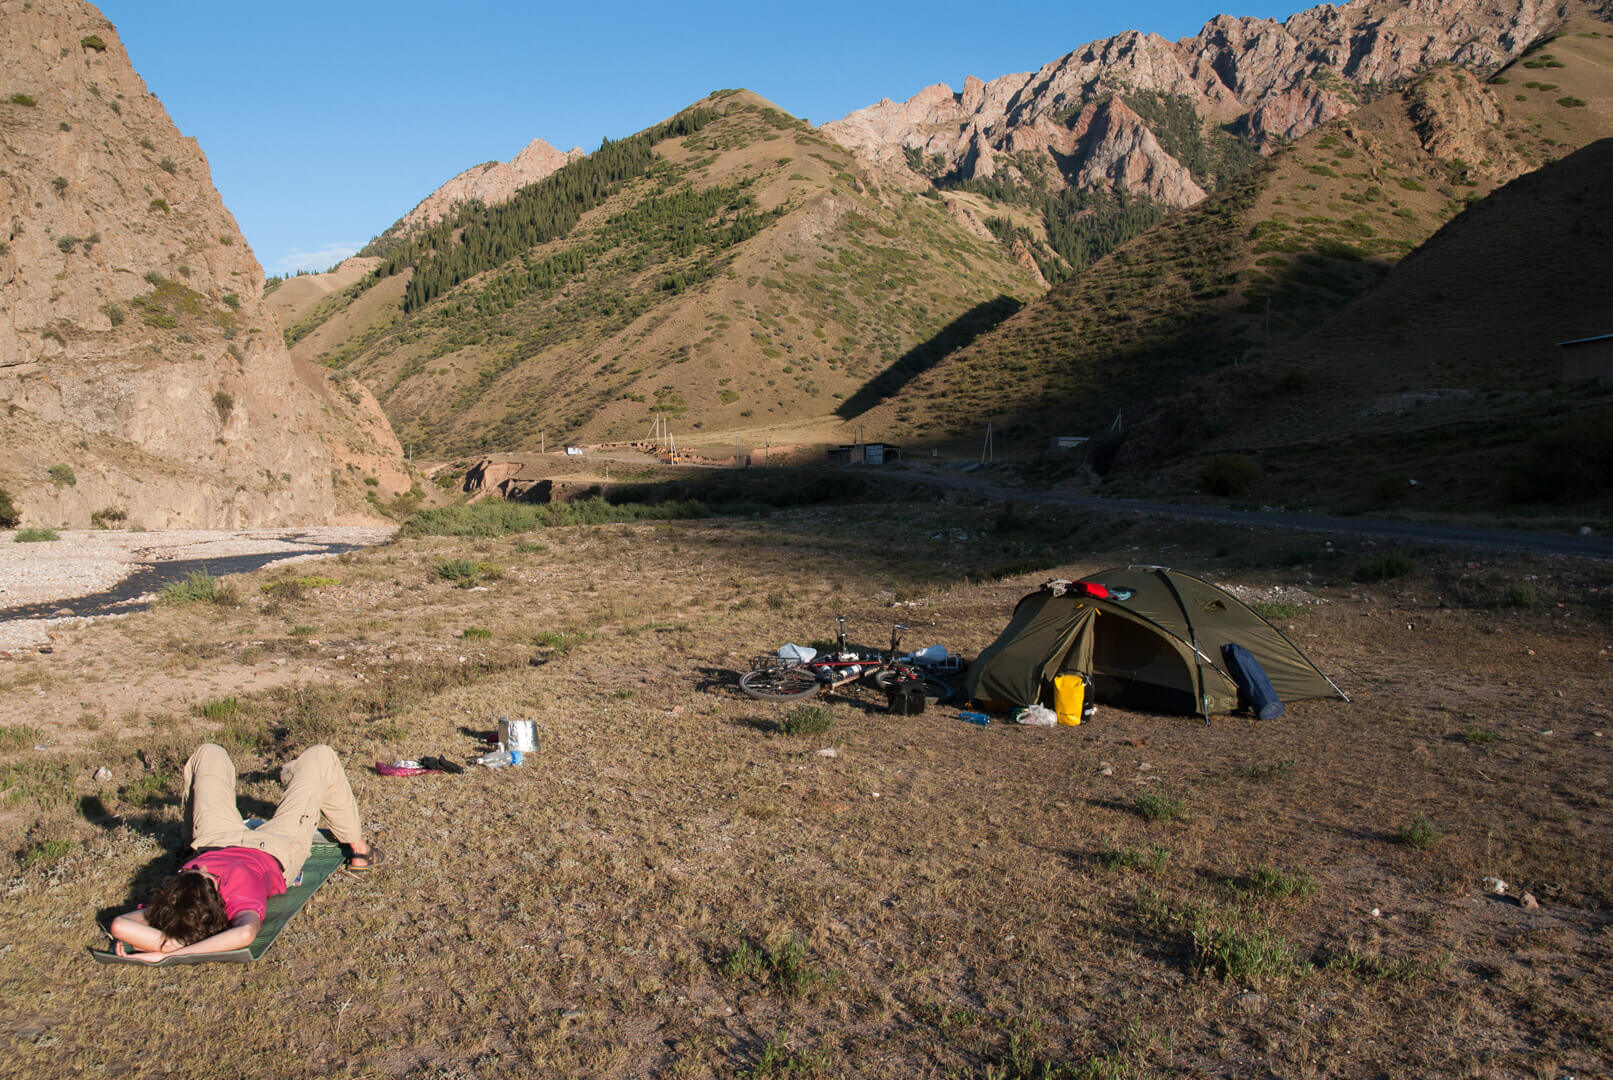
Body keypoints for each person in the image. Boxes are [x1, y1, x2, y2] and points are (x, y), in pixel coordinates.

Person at [108, 742, 382, 962]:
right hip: (275, 847)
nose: (201, 868)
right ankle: (360, 850)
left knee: (210, 753)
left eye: (192, 871)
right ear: (218, 901)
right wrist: (175, 955)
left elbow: (120, 925)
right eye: (206, 877)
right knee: (320, 757)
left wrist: (166, 947)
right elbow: (245, 933)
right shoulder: (241, 895)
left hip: (214, 839)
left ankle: (185, 845)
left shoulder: (176, 902)